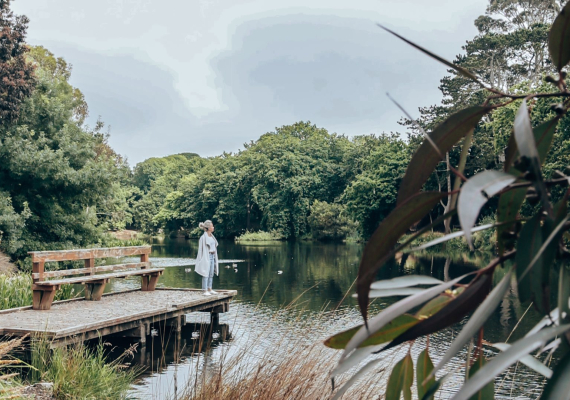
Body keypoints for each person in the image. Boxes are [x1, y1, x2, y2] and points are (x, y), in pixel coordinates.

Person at [195, 220, 219, 296]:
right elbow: (200, 250)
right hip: (206, 256)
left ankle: (210, 288)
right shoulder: (203, 238)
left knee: (211, 273)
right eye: (212, 226)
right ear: (208, 228)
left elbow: (214, 246)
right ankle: (204, 290)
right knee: (206, 273)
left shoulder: (212, 237)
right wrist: (200, 259)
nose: (213, 227)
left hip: (212, 256)